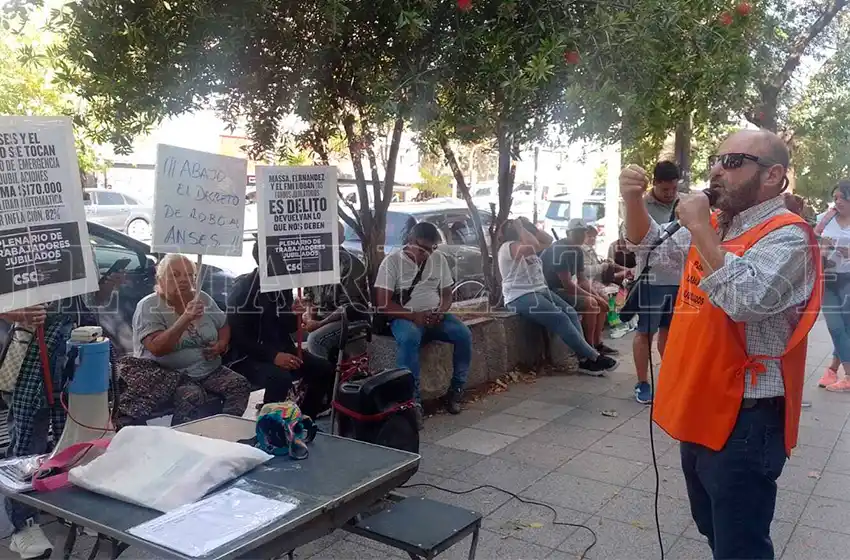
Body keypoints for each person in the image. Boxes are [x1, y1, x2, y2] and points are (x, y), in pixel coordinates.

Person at [621, 129, 821, 559]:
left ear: (772, 176)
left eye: (732, 162)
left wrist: (699, 229)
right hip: (701, 400)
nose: (716, 170)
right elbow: (650, 247)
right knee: (709, 522)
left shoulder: (789, 236)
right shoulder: (715, 223)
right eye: (716, 159)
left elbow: (746, 300)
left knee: (740, 544)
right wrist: (632, 200)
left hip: (745, 419)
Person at [1, 270, 124, 559]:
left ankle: (72, 511)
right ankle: (23, 525)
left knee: (76, 440)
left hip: (78, 348)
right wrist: (16, 313)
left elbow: (91, 299)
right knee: (28, 440)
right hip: (33, 351)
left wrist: (105, 287)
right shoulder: (17, 249)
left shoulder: (78, 249)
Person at [133, 254, 250, 424]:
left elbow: (223, 324)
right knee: (192, 396)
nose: (184, 280)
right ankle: (184, 436)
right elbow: (157, 348)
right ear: (160, 278)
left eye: (189, 275)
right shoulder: (149, 306)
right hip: (169, 375)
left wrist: (221, 344)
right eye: (175, 275)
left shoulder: (202, 298)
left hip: (207, 369)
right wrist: (185, 318)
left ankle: (224, 430)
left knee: (239, 384)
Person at [374, 221, 472, 422]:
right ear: (410, 241)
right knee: (409, 339)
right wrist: (414, 316)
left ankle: (457, 389)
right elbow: (383, 303)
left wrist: (440, 311)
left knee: (463, 334)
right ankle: (411, 402)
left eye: (432, 249)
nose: (427, 254)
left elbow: (446, 294)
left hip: (434, 315)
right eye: (422, 249)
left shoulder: (438, 259)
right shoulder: (392, 262)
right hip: (405, 317)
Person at [227, 241, 335, 418]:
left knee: (323, 368)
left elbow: (288, 326)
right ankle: (269, 425)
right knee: (279, 378)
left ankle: (305, 416)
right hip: (248, 357)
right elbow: (239, 337)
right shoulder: (243, 289)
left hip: (282, 349)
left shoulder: (283, 284)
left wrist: (296, 315)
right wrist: (273, 356)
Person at [497, 216, 617, 375]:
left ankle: (584, 360)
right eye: (526, 231)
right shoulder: (508, 247)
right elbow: (533, 245)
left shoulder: (529, 245)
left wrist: (530, 225)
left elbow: (547, 240)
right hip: (520, 295)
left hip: (540, 290)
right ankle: (593, 357)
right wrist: (520, 227)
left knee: (571, 312)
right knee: (560, 318)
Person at [631, 161, 683, 404]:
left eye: (674, 189)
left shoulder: (683, 203)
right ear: (655, 184)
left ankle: (671, 380)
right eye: (665, 190)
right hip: (650, 280)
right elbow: (632, 239)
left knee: (670, 333)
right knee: (645, 332)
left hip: (679, 280)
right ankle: (642, 383)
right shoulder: (641, 206)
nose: (670, 194)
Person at [539, 218, 619, 356]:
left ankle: (597, 343)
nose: (580, 236)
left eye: (582, 232)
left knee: (603, 300)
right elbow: (568, 285)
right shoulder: (560, 250)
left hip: (565, 289)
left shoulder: (578, 250)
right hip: (551, 291)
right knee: (592, 303)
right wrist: (595, 298)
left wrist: (598, 296)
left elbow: (582, 280)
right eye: (576, 233)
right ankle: (588, 348)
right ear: (568, 233)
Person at [303, 222, 371, 361]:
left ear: (342, 239)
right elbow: (309, 297)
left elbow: (348, 307)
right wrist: (310, 318)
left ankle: (323, 374)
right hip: (323, 317)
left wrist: (319, 324)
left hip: (348, 319)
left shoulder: (351, 265)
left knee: (315, 340)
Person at [814, 180, 850, 392]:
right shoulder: (825, 219)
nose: (838, 202)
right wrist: (823, 248)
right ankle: (846, 375)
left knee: (846, 326)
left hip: (848, 278)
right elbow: (810, 242)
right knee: (835, 326)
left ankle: (833, 370)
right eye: (835, 197)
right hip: (827, 279)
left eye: (843, 197)